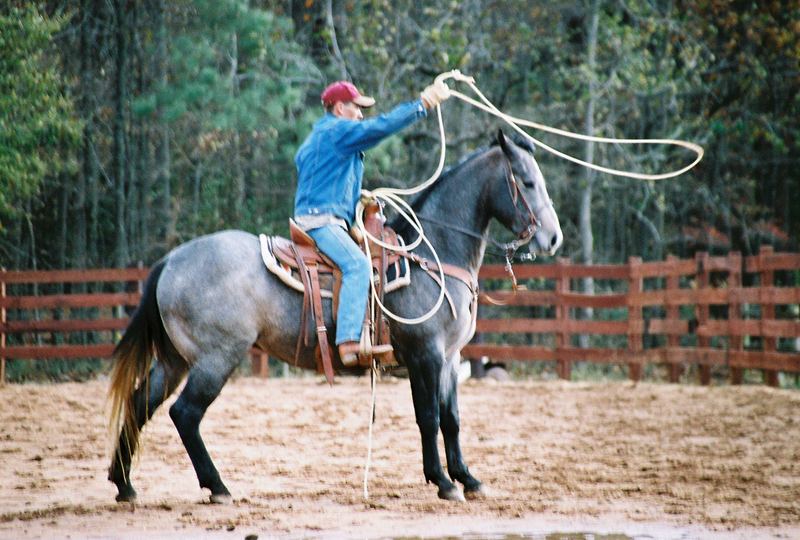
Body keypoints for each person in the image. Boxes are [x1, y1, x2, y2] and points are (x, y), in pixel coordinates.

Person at [294, 79, 450, 366]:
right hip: (321, 221)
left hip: (323, 216)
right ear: (340, 108)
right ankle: (348, 341)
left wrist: (353, 205)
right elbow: (380, 127)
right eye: (357, 108)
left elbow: (322, 181)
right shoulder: (338, 130)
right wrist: (423, 104)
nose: (361, 115)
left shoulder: (321, 135)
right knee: (358, 265)